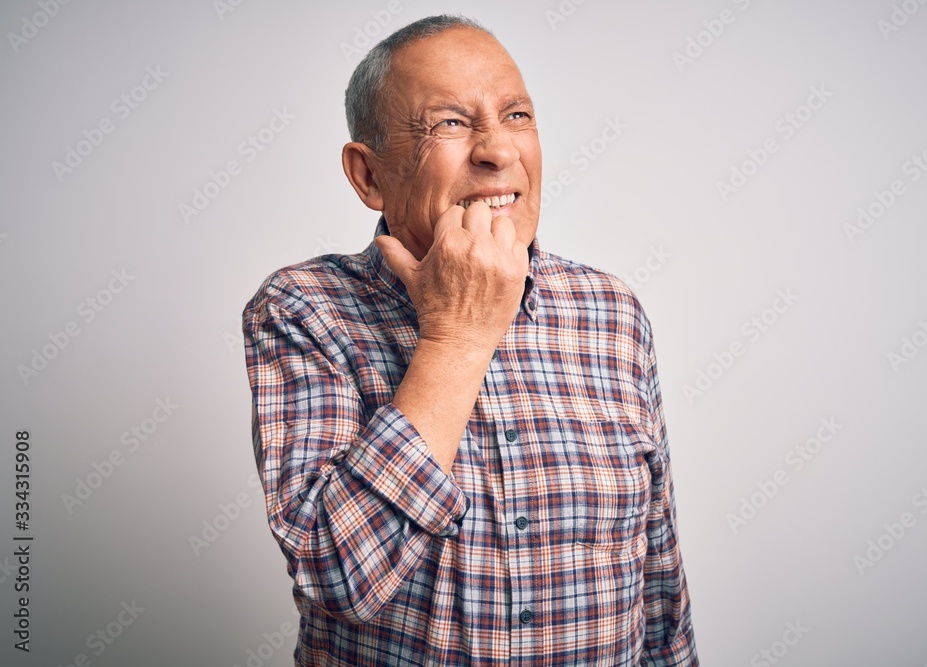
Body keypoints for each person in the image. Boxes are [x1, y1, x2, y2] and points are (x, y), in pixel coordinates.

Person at [242, 14, 698, 666]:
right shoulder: (302, 309)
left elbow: (660, 590)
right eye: (451, 123)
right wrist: (457, 337)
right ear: (368, 176)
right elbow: (341, 573)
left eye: (516, 116)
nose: (498, 150)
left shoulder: (613, 311)